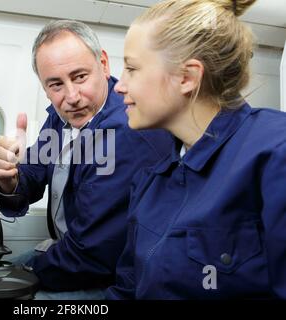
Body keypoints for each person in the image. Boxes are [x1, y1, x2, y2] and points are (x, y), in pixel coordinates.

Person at [106, 0, 286, 299]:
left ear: (187, 78)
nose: (119, 86)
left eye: (131, 69)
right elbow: (127, 288)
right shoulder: (152, 181)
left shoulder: (274, 153)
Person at [0, 20, 172, 299]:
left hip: (109, 278)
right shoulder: (61, 117)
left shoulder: (125, 133)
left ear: (104, 64)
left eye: (80, 76)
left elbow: (92, 255)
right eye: (56, 84)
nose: (72, 96)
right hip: (71, 256)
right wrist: (9, 180)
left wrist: (25, 274)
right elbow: (34, 175)